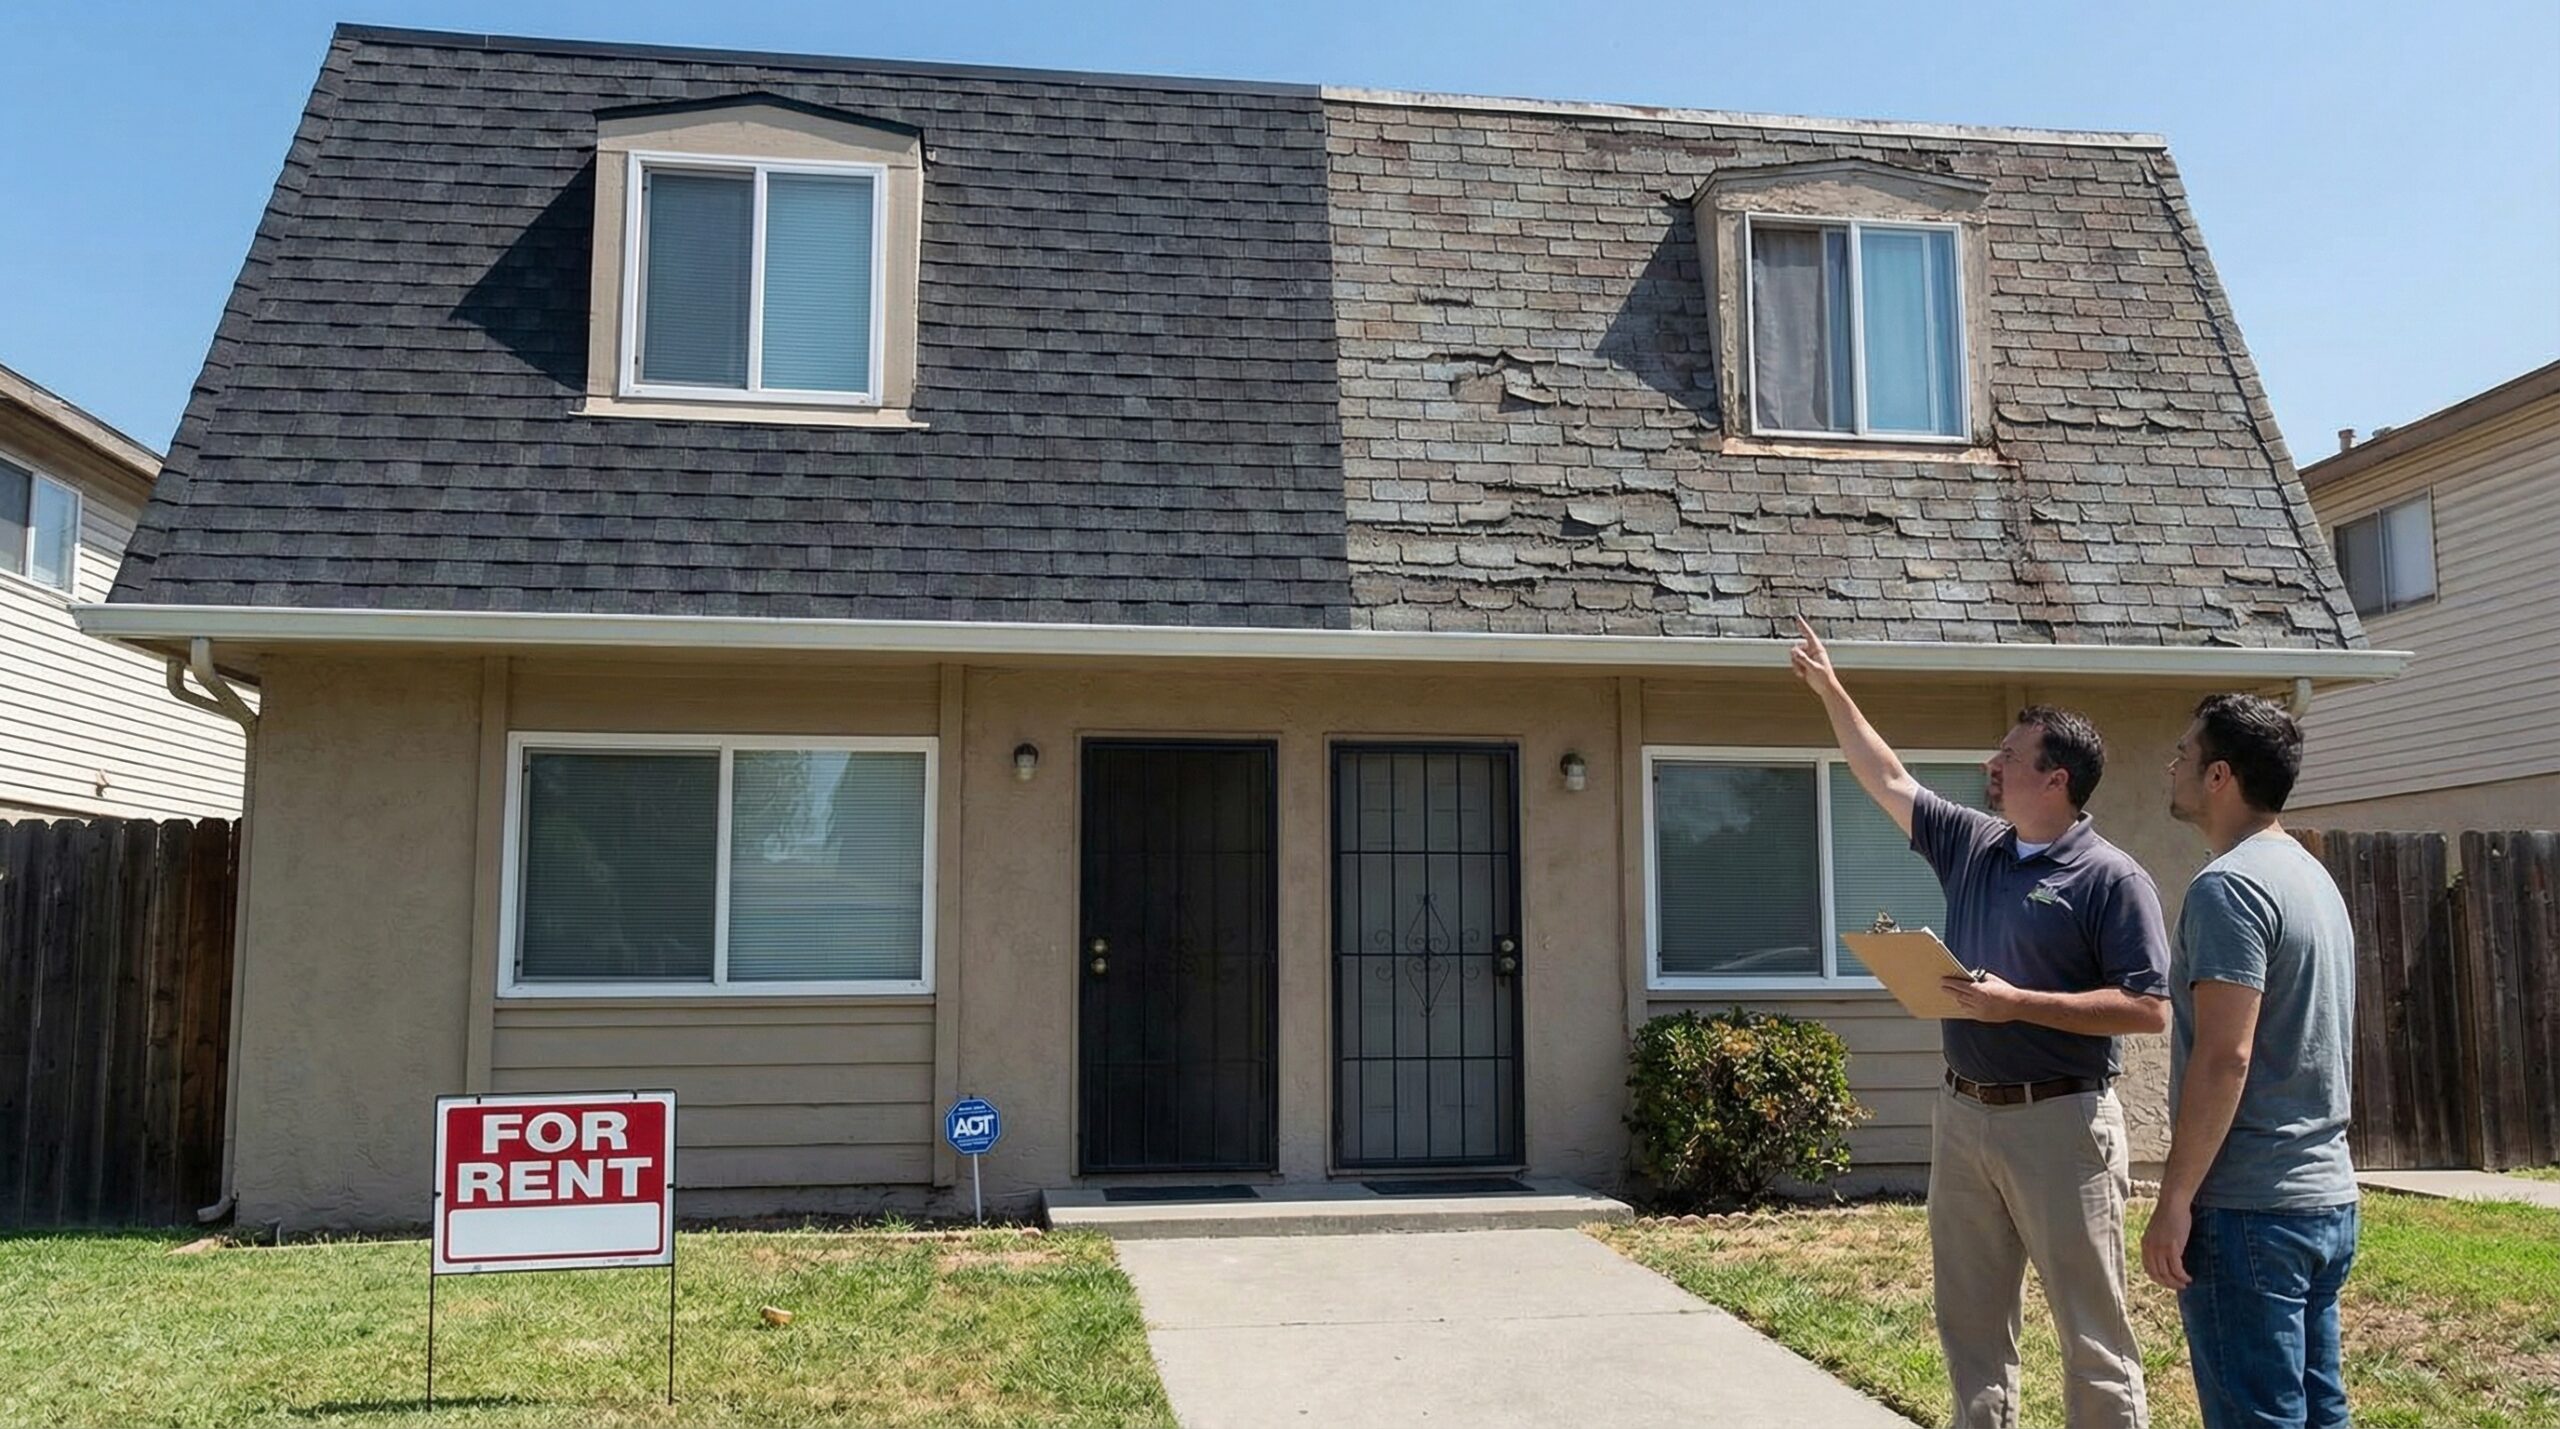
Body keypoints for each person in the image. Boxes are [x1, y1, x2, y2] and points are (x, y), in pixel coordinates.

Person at [1790, 616, 2170, 1429]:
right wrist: (1832, 688)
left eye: (2007, 756)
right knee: (1970, 1326)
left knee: (2092, 1334)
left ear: (2056, 779)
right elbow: (1884, 777)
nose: (1989, 766)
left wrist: (2017, 1003)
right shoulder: (1975, 843)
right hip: (1963, 1115)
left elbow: (2148, 1007)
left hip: (2062, 1121)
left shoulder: (2113, 879)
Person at [2143, 693, 2358, 1429]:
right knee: (2319, 1413)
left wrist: (2174, 1200)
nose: (2170, 763)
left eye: (2183, 752)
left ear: (2219, 776)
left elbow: (2225, 1057)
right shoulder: (2310, 877)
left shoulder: (2228, 887)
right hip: (2324, 1199)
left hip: (2249, 1210)